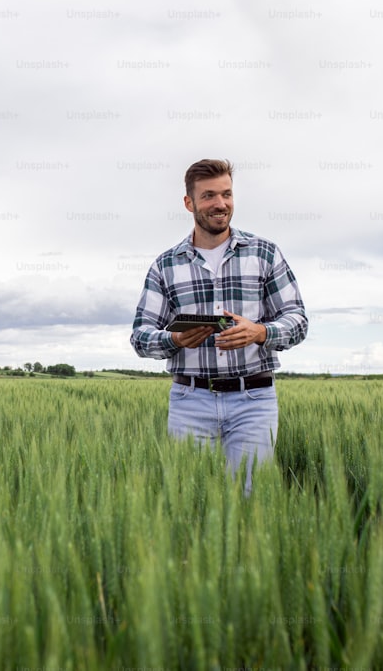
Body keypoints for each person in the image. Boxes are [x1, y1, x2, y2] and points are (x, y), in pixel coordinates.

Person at [130, 159, 308, 494]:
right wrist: (175, 339)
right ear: (189, 203)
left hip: (254, 400)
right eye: (209, 195)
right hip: (189, 401)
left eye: (226, 194)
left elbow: (297, 320)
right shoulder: (165, 265)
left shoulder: (265, 253)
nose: (220, 204)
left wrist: (262, 332)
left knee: (249, 499)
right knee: (189, 501)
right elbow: (140, 336)